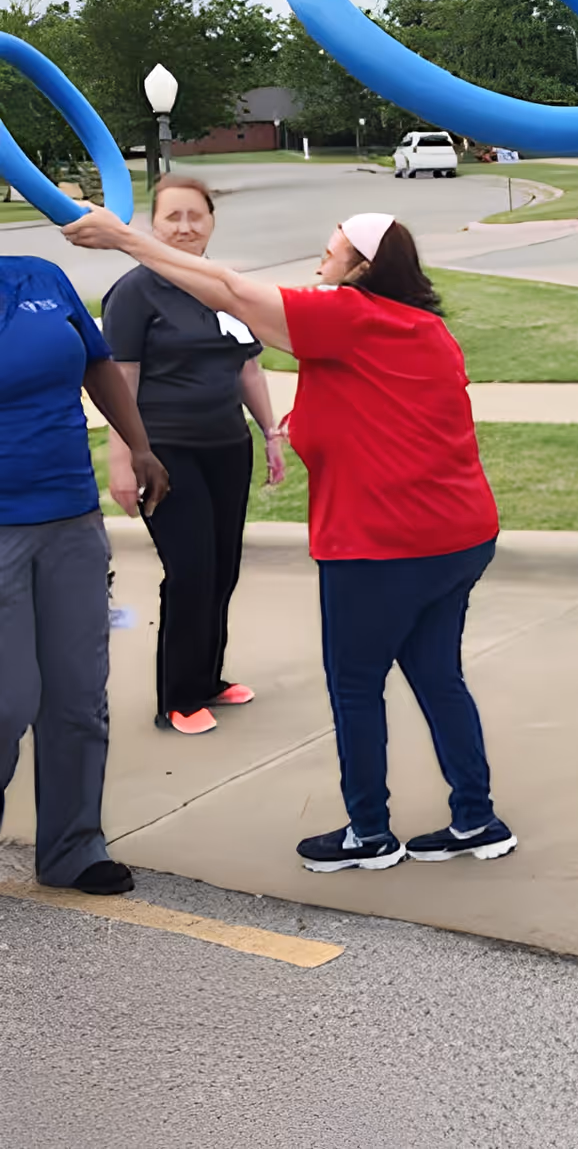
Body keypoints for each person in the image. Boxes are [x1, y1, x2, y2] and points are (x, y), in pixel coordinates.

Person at [64, 207, 515, 875]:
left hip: (384, 543)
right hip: (458, 537)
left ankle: (369, 831)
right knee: (437, 674)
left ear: (363, 266)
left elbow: (230, 289)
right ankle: (477, 818)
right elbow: (386, 406)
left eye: (331, 251)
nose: (320, 262)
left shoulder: (349, 316)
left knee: (356, 686)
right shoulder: (425, 329)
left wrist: (127, 238)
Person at [0, 253, 168, 896]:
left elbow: (97, 363)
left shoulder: (42, 275)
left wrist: (140, 445)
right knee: (7, 699)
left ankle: (73, 848)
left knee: (77, 694)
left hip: (71, 515)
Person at [101, 176, 285, 736]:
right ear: (151, 226)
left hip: (228, 448)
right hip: (166, 453)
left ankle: (208, 680)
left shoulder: (223, 288)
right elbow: (119, 381)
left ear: (210, 224)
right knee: (190, 572)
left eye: (194, 217)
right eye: (171, 217)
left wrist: (271, 432)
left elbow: (248, 368)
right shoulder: (135, 293)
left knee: (222, 571)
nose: (184, 228)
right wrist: (122, 462)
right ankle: (177, 698)